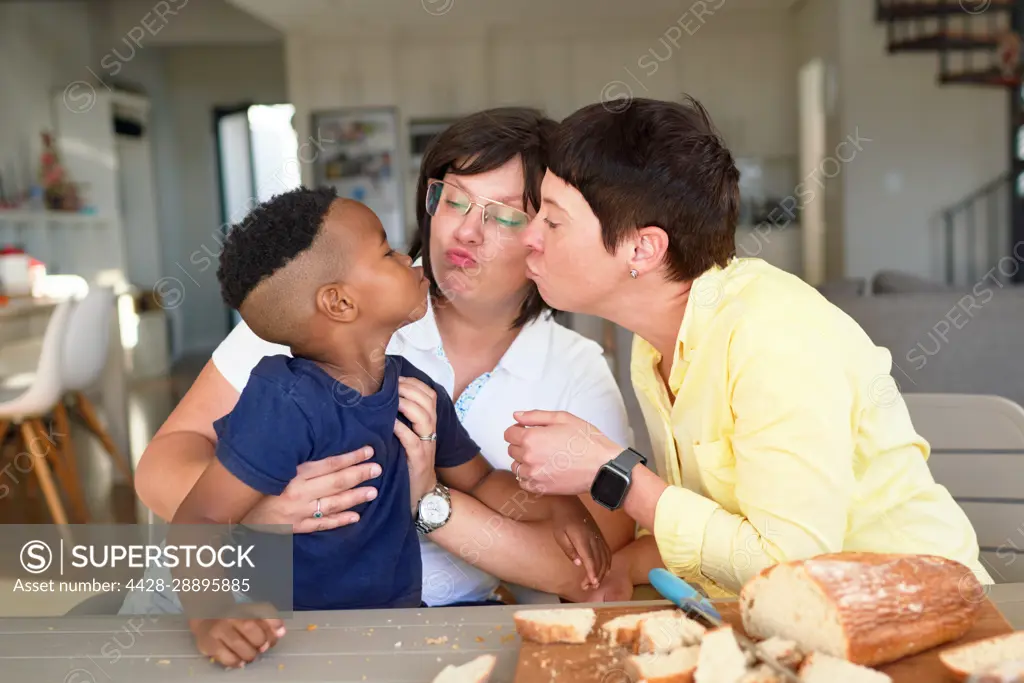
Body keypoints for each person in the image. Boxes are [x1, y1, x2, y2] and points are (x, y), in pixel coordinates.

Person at [127, 107, 635, 612]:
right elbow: (163, 465)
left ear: (546, 232)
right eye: (454, 200)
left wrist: (432, 504)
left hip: (414, 627)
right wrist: (265, 511)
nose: (465, 232)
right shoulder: (316, 300)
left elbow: (587, 570)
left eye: (502, 215)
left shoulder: (572, 369)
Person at [506, 95, 993, 600]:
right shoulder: (655, 344)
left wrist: (616, 473)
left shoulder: (775, 337)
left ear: (642, 248)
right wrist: (618, 570)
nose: (529, 238)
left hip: (923, 620)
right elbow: (712, 525)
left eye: (554, 221)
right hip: (798, 627)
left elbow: (790, 566)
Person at [171, 188, 607, 667]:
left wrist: (559, 505)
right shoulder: (282, 401)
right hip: (285, 642)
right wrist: (211, 615)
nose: (408, 257)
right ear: (340, 303)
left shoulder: (414, 391)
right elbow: (200, 520)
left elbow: (480, 481)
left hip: (390, 632)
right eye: (387, 252)